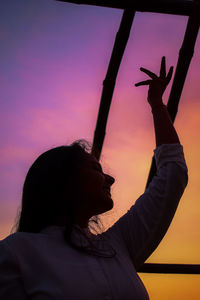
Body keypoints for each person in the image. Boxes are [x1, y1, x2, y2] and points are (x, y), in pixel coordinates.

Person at [0, 57, 188, 299]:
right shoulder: (17, 253)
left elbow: (173, 174)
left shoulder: (117, 245)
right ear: (64, 181)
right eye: (95, 169)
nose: (110, 179)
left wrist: (157, 104)